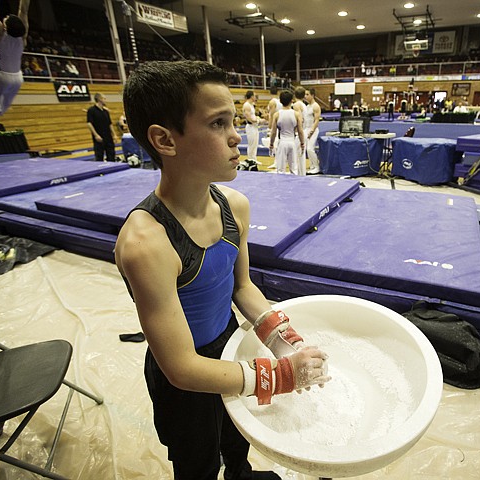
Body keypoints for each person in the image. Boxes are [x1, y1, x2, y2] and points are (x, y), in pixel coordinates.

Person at [116, 60, 329, 480]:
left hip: (231, 345)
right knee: (197, 463)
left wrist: (286, 343)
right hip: (187, 377)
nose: (236, 136)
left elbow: (242, 287)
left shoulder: (235, 205)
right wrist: (282, 376)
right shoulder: (146, 243)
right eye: (217, 124)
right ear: (164, 139)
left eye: (233, 120)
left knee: (237, 441)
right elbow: (181, 366)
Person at [0, 0, 30, 116]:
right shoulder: (23, 37)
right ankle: (0, 113)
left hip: (1, 75)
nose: (6, 16)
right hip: (18, 77)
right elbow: (23, 11)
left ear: (5, 27)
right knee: (5, 105)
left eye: (6, 19)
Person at [269, 90, 305, 175]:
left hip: (282, 143)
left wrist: (271, 143)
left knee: (280, 170)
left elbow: (273, 132)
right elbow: (300, 131)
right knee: (294, 169)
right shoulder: (296, 114)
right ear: (292, 101)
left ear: (280, 101)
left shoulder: (277, 115)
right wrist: (302, 143)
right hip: (292, 142)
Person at [86, 93, 118, 162]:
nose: (105, 100)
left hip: (108, 136)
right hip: (99, 136)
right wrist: (96, 135)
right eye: (104, 98)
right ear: (99, 99)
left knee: (111, 154)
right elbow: (89, 124)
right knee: (99, 155)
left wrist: (114, 134)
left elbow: (110, 124)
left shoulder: (106, 111)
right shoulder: (91, 110)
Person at [242, 90, 264, 167]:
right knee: (251, 144)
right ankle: (250, 160)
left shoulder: (251, 105)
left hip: (254, 126)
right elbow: (249, 118)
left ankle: (254, 159)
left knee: (255, 144)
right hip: (250, 126)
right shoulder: (247, 105)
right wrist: (258, 120)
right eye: (254, 96)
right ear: (251, 96)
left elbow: (252, 116)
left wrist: (257, 119)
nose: (255, 97)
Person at [303, 88, 321, 174]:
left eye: (307, 94)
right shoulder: (307, 106)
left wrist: (312, 131)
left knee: (310, 149)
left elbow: (317, 120)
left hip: (313, 129)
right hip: (306, 129)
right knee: (307, 149)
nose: (305, 96)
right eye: (305, 95)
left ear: (312, 95)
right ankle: (312, 166)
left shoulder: (316, 106)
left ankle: (317, 167)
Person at [291, 87, 307, 175]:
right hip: (304, 130)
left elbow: (299, 120)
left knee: (296, 156)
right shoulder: (304, 105)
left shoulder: (297, 105)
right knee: (301, 156)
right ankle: (302, 174)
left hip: (299, 132)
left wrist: (295, 130)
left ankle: (298, 175)